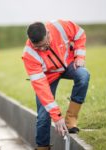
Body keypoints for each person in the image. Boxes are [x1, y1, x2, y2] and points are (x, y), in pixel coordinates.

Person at [22, 20, 90, 150]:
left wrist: (79, 56)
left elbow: (79, 34)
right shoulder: (29, 55)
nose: (41, 49)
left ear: (48, 33)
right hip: (47, 76)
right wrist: (57, 116)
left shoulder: (60, 27)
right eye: (38, 47)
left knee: (83, 75)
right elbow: (42, 89)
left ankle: (71, 120)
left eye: (44, 45)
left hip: (68, 64)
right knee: (43, 115)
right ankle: (43, 147)